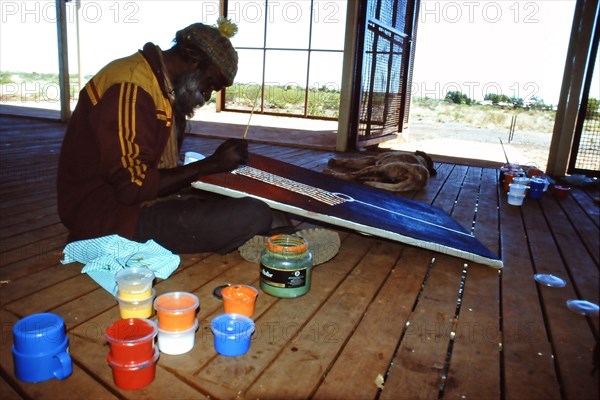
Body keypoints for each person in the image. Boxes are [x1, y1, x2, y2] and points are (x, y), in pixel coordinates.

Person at [57, 18, 273, 255]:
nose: (207, 95)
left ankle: (275, 237)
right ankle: (265, 238)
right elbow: (132, 188)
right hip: (108, 219)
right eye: (210, 83)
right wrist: (212, 164)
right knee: (253, 213)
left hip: (138, 205)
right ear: (195, 59)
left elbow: (157, 173)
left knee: (259, 203)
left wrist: (214, 178)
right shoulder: (131, 88)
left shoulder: (162, 90)